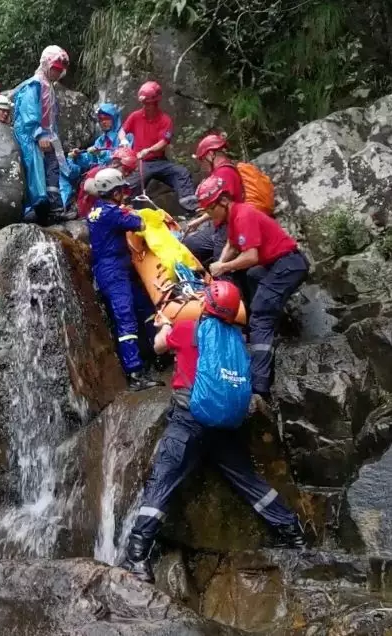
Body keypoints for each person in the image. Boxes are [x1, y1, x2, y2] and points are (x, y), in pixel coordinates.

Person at [120, 280, 306, 583]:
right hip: (225, 425)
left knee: (163, 478)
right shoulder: (237, 338)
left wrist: (163, 323)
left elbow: (158, 346)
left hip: (189, 420)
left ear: (205, 305)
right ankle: (292, 531)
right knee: (247, 478)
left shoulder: (189, 329)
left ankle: (137, 556)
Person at [196, 175, 309, 406]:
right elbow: (232, 245)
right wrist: (219, 264)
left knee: (260, 315)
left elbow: (251, 256)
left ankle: (260, 388)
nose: (209, 214)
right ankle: (279, 320)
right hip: (276, 264)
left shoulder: (244, 214)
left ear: (223, 202)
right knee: (251, 276)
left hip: (288, 264)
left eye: (210, 209)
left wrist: (224, 267)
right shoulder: (234, 216)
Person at [87, 168, 165, 391]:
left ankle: (157, 352)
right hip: (113, 271)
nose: (123, 194)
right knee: (126, 318)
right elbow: (139, 224)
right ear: (113, 192)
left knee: (146, 307)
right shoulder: (111, 213)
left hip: (117, 268)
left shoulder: (95, 211)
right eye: (121, 190)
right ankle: (135, 372)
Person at [13, 45, 71, 226]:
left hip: (47, 136)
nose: (57, 73)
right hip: (32, 138)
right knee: (37, 175)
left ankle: (55, 209)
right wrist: (38, 135)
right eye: (55, 68)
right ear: (46, 64)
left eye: (60, 70)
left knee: (53, 171)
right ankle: (40, 211)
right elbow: (29, 112)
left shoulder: (48, 86)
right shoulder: (35, 85)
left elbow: (51, 117)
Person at [120, 81, 196, 212]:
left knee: (181, 173)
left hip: (159, 161)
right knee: (131, 185)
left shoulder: (165, 120)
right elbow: (122, 130)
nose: (146, 106)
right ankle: (127, 213)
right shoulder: (136, 116)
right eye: (144, 104)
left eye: (149, 104)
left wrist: (148, 150)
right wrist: (123, 140)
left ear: (156, 102)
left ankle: (191, 208)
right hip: (141, 162)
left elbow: (163, 142)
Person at [184, 133, 244, 268]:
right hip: (220, 225)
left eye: (202, 160)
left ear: (211, 154)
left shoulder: (224, 173)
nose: (202, 165)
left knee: (221, 269)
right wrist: (199, 221)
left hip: (229, 227)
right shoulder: (222, 171)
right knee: (190, 244)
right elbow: (216, 206)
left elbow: (221, 207)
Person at [77, 147, 138, 218]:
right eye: (126, 169)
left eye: (130, 171)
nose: (127, 173)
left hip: (107, 216)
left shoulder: (124, 184)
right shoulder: (99, 172)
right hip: (90, 215)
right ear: (115, 163)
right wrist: (111, 197)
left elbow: (124, 202)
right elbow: (88, 186)